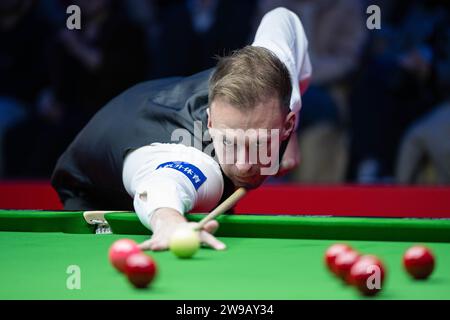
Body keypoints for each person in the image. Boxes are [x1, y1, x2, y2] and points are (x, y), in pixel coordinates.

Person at [51, 7, 311, 251]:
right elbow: (162, 185)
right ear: (210, 123)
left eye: (258, 143)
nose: (243, 165)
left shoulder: (273, 70)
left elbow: (282, 18)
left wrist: (293, 127)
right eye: (230, 143)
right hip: (94, 188)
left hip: (151, 105)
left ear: (284, 124)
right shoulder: (198, 163)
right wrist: (169, 220)